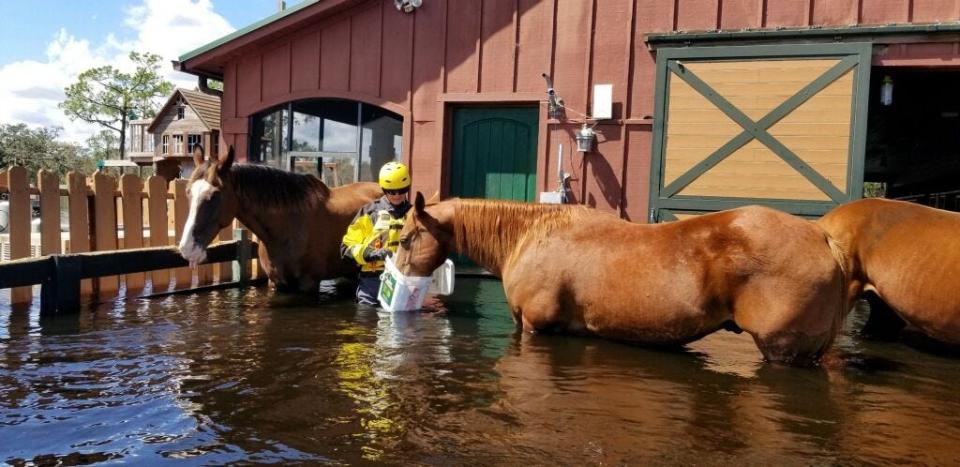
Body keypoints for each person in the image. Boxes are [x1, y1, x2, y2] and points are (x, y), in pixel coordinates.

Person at [341, 161, 412, 305]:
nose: (397, 195)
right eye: (391, 191)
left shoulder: (414, 214)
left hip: (405, 282)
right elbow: (346, 249)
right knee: (365, 322)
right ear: (384, 190)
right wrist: (371, 254)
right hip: (372, 282)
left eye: (402, 190)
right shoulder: (369, 212)